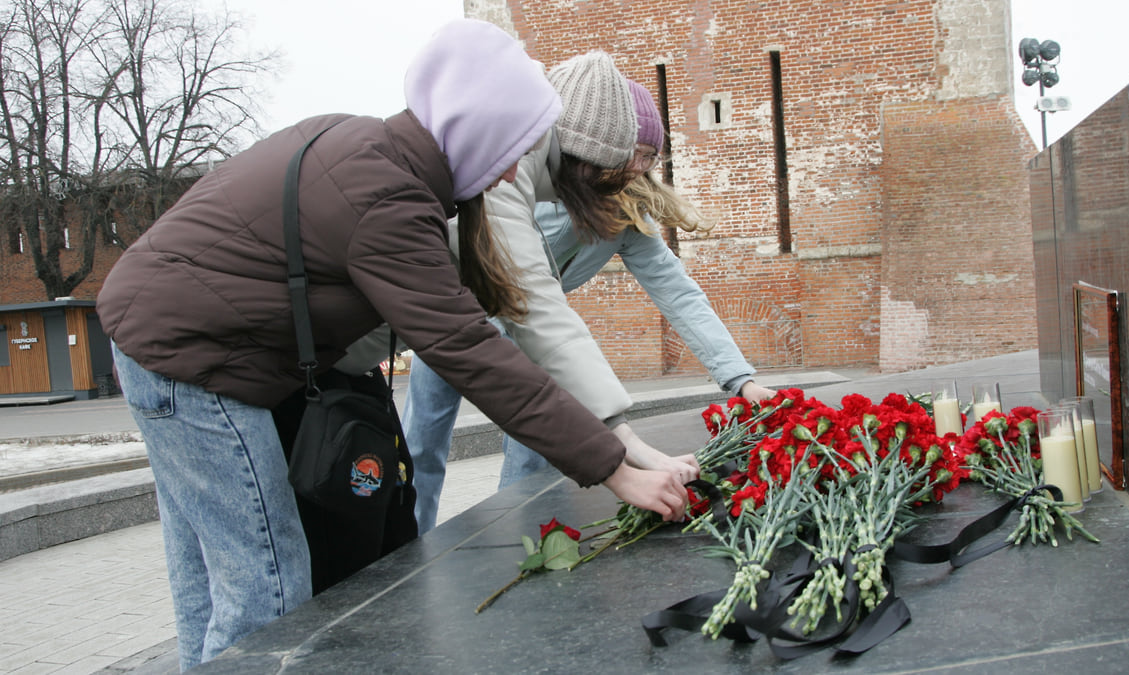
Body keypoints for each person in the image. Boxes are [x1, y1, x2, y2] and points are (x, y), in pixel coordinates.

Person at [96, 20, 689, 671]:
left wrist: (619, 452)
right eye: (515, 148)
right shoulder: (390, 202)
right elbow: (471, 351)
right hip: (190, 368)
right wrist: (613, 466)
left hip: (152, 338)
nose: (518, 168)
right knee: (265, 588)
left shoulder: (366, 144)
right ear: (479, 134)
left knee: (209, 586)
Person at [403, 76, 774, 534]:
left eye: (648, 157)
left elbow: (678, 293)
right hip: (457, 318)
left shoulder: (627, 221)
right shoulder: (539, 186)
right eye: (633, 150)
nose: (635, 164)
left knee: (533, 450)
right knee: (421, 443)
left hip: (529, 338)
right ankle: (411, 544)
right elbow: (524, 280)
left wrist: (741, 378)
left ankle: (520, 538)